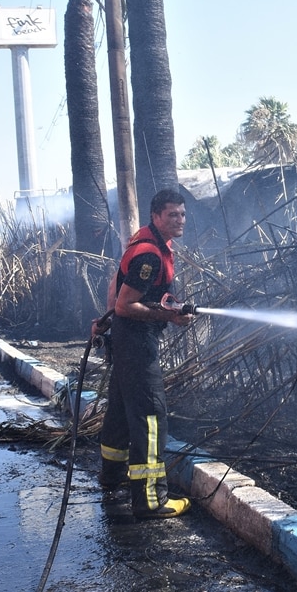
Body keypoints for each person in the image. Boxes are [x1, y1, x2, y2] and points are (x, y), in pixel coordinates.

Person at [96, 188, 196, 519]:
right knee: (151, 417)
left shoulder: (145, 241)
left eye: (182, 214)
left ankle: (111, 477)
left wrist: (107, 319)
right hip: (137, 344)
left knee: (119, 413)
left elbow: (116, 286)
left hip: (125, 341)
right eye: (172, 214)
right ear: (156, 216)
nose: (180, 220)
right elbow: (126, 305)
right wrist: (169, 316)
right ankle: (151, 500)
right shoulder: (150, 255)